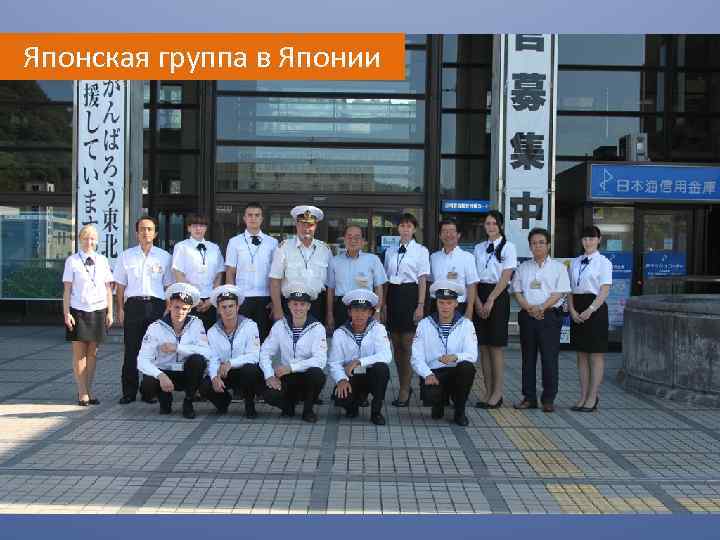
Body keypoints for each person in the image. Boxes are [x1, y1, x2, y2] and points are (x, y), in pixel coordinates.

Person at [114, 216, 174, 404]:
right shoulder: (126, 256)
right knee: (131, 350)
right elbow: (120, 286)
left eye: (149, 229)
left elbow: (168, 286)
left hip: (156, 306)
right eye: (142, 229)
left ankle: (149, 391)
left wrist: (168, 309)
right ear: (136, 233)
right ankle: (129, 392)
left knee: (155, 350)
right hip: (133, 306)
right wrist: (120, 309)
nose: (145, 232)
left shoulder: (164, 256)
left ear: (155, 233)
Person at [512, 228, 571, 413]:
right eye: (534, 243)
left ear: (548, 245)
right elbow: (517, 291)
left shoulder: (559, 268)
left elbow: (559, 293)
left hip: (550, 317)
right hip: (528, 317)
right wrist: (529, 308)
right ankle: (529, 398)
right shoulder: (523, 267)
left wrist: (542, 307)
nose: (537, 246)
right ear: (530, 246)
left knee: (549, 359)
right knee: (527, 359)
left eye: (541, 242)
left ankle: (548, 399)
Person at [137, 283, 212, 419]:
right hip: (165, 373)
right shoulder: (155, 327)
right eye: (177, 307)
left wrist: (178, 348)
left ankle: (188, 401)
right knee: (147, 384)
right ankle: (164, 397)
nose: (180, 312)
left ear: (190, 309)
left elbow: (207, 353)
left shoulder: (196, 324)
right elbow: (141, 360)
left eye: (184, 308)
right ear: (170, 305)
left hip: (186, 374)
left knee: (198, 360)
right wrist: (160, 375)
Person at [411, 280, 478, 426]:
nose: (445, 307)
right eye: (441, 302)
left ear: (456, 304)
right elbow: (416, 357)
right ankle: (438, 404)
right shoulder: (424, 324)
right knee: (433, 402)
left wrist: (456, 357)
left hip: (456, 373)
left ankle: (460, 411)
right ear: (436, 303)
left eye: (449, 303)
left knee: (467, 367)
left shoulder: (466, 325)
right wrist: (427, 374)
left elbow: (472, 354)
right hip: (434, 373)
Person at [62, 225, 114, 406]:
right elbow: (67, 290)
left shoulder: (102, 260)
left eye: (92, 238)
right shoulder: (72, 261)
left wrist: (110, 312)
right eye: (85, 238)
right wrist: (66, 313)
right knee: (79, 354)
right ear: (79, 239)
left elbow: (108, 289)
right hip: (78, 310)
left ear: (97, 241)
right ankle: (82, 392)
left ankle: (89, 391)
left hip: (98, 309)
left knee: (93, 353)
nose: (89, 242)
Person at [260, 282, 327, 423]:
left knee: (317, 374)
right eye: (295, 304)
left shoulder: (317, 328)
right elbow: (265, 352)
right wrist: (269, 375)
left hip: (307, 376)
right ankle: (288, 406)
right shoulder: (280, 326)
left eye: (302, 304)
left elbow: (320, 360)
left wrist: (292, 367)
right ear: (289, 305)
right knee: (268, 394)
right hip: (288, 378)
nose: (298, 308)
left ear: (309, 306)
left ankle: (308, 410)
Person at [383, 213, 430, 408]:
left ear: (414, 229)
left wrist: (420, 305)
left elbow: (422, 279)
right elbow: (386, 280)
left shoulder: (421, 251)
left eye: (409, 226)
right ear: (398, 229)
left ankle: (405, 388)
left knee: (407, 343)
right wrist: (383, 305)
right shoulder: (390, 251)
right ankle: (404, 384)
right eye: (402, 226)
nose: (405, 229)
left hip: (411, 295)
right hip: (393, 296)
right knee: (396, 343)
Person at [473, 210, 517, 410]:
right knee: (483, 346)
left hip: (497, 296)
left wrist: (490, 299)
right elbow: (473, 276)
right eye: (487, 223)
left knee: (495, 346)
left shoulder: (509, 247)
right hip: (479, 293)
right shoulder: (478, 248)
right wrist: (477, 301)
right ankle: (487, 391)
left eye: (493, 223)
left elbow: (506, 277)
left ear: (500, 226)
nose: (490, 227)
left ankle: (497, 393)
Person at [329, 289, 392, 425]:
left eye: (364, 311)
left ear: (370, 313)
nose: (360, 315)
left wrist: (359, 361)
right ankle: (354, 405)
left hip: (371, 374)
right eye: (356, 310)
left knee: (382, 368)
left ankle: (376, 412)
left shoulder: (378, 329)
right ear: (349, 312)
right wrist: (341, 380)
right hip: (351, 375)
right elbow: (334, 363)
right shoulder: (340, 333)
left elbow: (386, 355)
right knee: (341, 399)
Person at [202, 284, 265, 418]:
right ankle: (223, 402)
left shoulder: (250, 326)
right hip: (224, 373)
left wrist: (231, 363)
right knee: (205, 385)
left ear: (237, 307)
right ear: (218, 310)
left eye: (231, 306)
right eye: (224, 307)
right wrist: (214, 377)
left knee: (250, 370)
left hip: (243, 372)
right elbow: (213, 358)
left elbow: (254, 356)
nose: (228, 310)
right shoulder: (212, 331)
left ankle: (249, 404)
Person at [568, 225, 612, 413]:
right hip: (577, 308)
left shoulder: (604, 262)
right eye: (585, 238)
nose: (588, 242)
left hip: (595, 309)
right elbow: (569, 288)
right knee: (581, 354)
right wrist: (571, 310)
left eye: (592, 238)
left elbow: (604, 290)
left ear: (599, 240)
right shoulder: (575, 262)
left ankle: (593, 396)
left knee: (595, 354)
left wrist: (591, 309)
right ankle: (583, 395)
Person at [269, 205, 332, 326]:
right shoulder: (284, 248)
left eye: (310, 225)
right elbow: (274, 280)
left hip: (316, 306)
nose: (306, 228)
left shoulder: (325, 250)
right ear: (296, 225)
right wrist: (277, 309)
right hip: (290, 305)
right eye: (302, 224)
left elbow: (330, 285)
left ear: (316, 226)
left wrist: (329, 313)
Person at [225, 202, 278, 341]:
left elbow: (276, 275)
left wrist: (274, 301)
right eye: (250, 215)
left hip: (265, 298)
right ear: (244, 218)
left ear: (262, 218)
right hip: (242, 298)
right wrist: (232, 299)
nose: (253, 218)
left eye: (257, 215)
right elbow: (230, 272)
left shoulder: (272, 243)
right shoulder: (234, 242)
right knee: (241, 337)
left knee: (263, 337)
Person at [326, 225, 387, 331]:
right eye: (349, 237)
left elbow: (378, 287)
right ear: (344, 240)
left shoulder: (373, 260)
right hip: (342, 307)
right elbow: (330, 290)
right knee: (342, 337)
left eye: (357, 237)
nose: (353, 241)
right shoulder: (334, 261)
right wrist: (330, 314)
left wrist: (377, 311)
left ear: (363, 241)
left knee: (365, 338)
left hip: (365, 307)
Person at [172, 213, 225, 331]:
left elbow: (219, 274)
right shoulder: (181, 247)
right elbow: (178, 273)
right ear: (188, 228)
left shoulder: (214, 248)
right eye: (194, 225)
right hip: (188, 300)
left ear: (206, 228)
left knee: (209, 335)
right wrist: (194, 298)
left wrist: (212, 299)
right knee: (189, 335)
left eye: (201, 225)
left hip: (209, 302)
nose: (198, 229)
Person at [429, 218, 479, 318]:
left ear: (458, 235)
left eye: (452, 231)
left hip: (459, 306)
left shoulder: (467, 257)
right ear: (440, 236)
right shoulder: (433, 257)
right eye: (444, 231)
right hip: (437, 305)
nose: (448, 235)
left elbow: (471, 285)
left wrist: (470, 309)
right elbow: (430, 282)